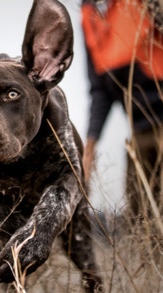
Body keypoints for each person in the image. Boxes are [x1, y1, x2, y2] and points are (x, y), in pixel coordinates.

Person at [81, 0, 163, 220]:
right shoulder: (89, 14)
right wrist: (88, 151)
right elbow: (100, 88)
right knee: (140, 217)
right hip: (139, 130)